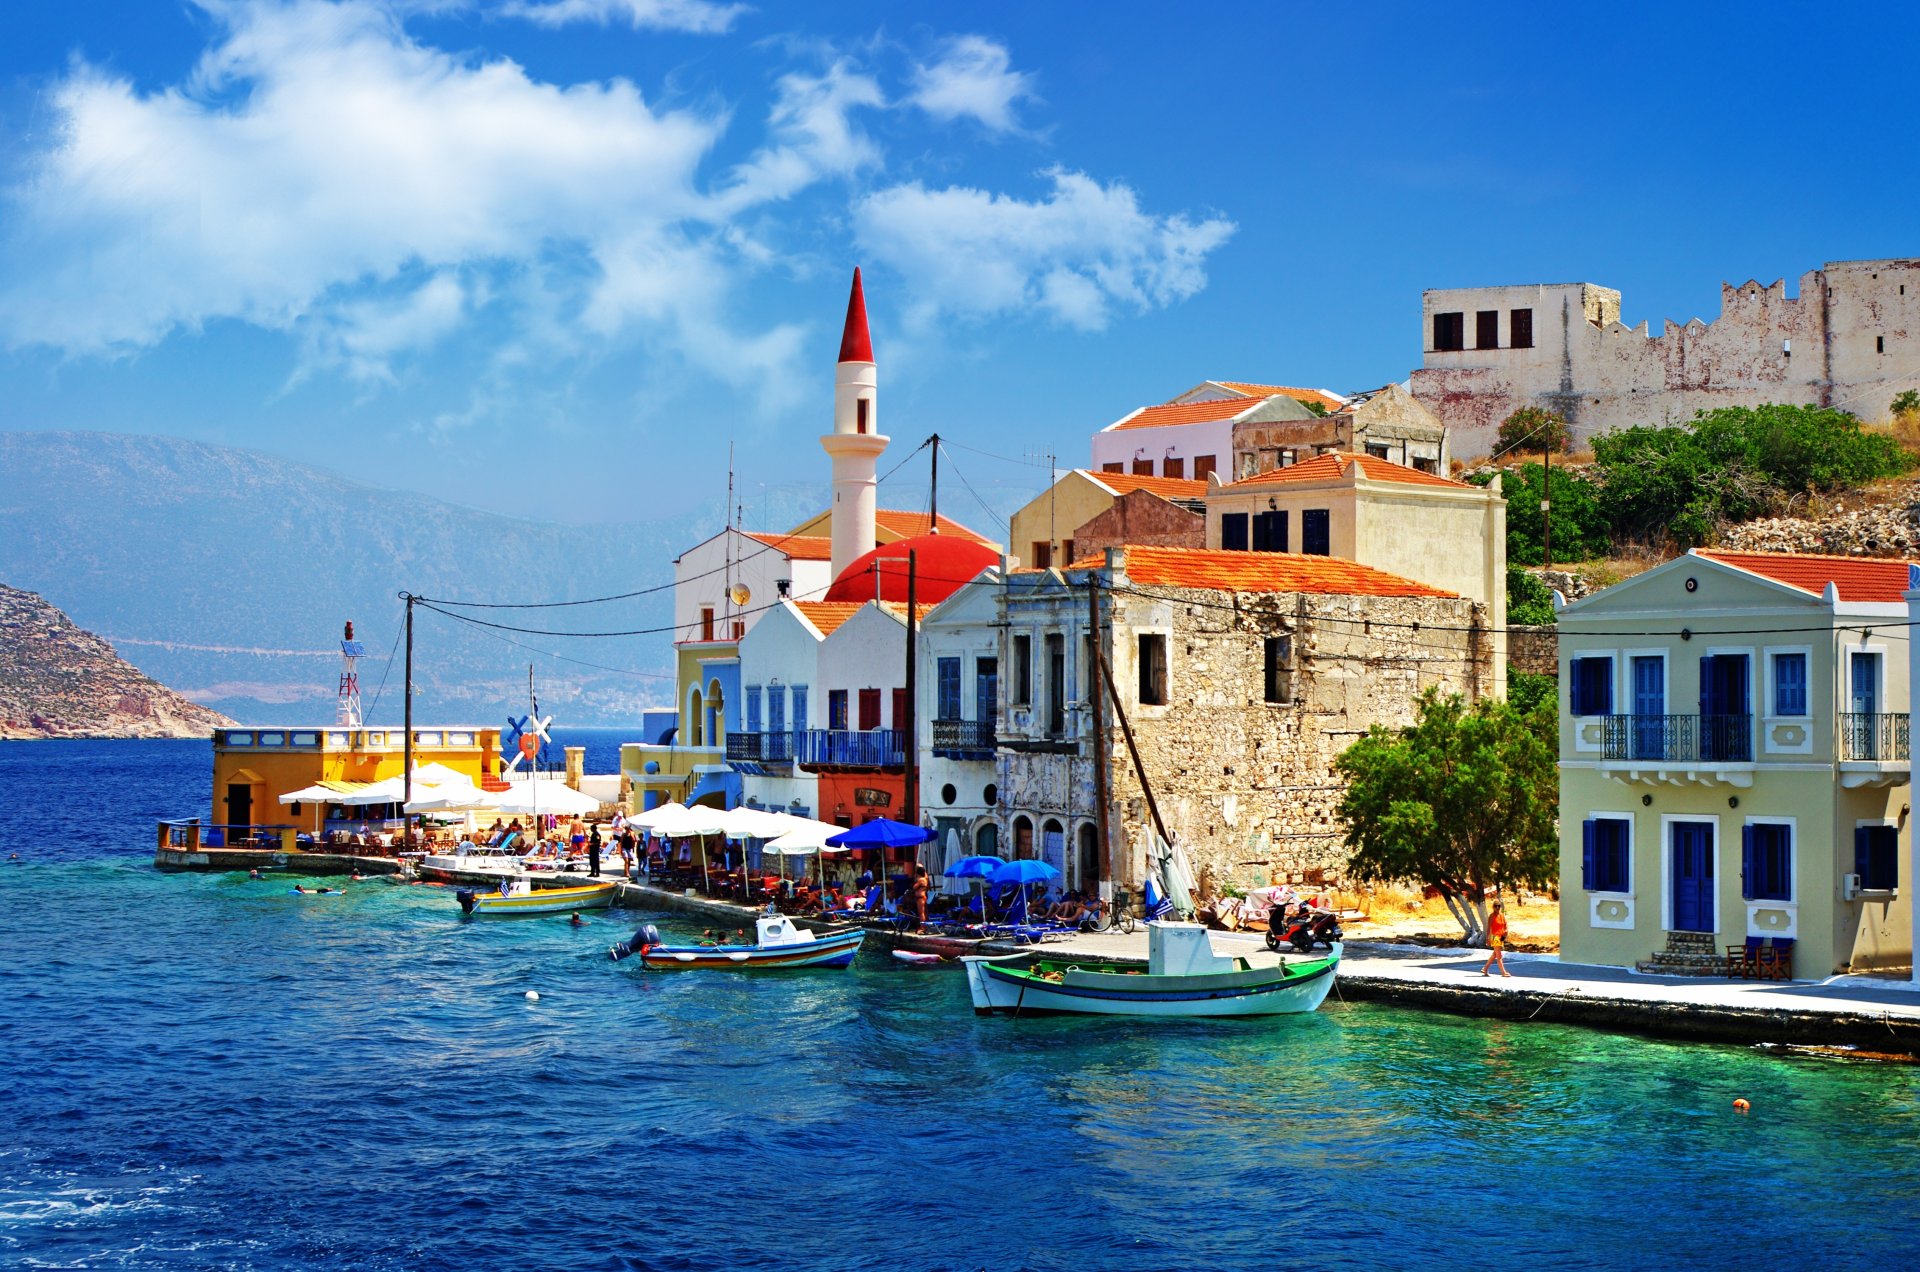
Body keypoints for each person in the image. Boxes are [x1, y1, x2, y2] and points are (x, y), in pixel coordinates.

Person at [1481, 901, 1512, 977]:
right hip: (1495, 937)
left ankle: (1485, 968)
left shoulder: (1502, 915)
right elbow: (1488, 928)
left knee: (1495, 954)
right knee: (1499, 955)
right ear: (1493, 907)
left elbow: (1506, 925)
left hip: (1501, 937)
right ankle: (1503, 972)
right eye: (1495, 906)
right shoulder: (1491, 916)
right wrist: (1487, 938)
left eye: (1498, 906)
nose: (1497, 907)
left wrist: (1506, 931)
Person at [909, 864, 930, 930]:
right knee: (924, 913)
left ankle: (923, 927)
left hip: (920, 898)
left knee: (921, 913)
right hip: (923, 897)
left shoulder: (921, 879)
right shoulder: (925, 878)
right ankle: (925, 927)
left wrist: (916, 877)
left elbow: (914, 887)